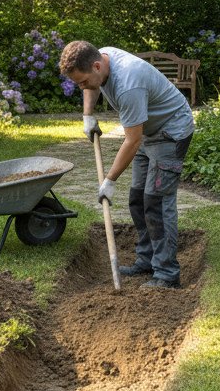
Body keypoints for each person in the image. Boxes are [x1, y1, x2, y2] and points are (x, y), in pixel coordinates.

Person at [59, 41, 195, 289]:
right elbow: (91, 84)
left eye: (83, 81)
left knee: (156, 201)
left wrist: (109, 180)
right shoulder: (99, 60)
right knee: (137, 198)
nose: (82, 87)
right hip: (147, 130)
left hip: (170, 131)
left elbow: (131, 140)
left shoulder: (128, 84)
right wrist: (88, 115)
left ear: (97, 66)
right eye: (77, 83)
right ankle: (147, 260)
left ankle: (166, 274)